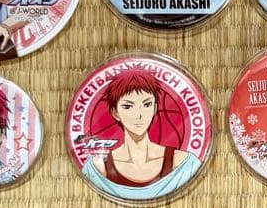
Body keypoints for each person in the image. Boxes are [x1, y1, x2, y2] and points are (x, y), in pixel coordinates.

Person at [80, 68, 199, 200]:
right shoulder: (98, 167)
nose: (139, 115)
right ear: (115, 112)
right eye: (127, 106)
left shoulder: (182, 162)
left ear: (155, 108)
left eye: (147, 104)